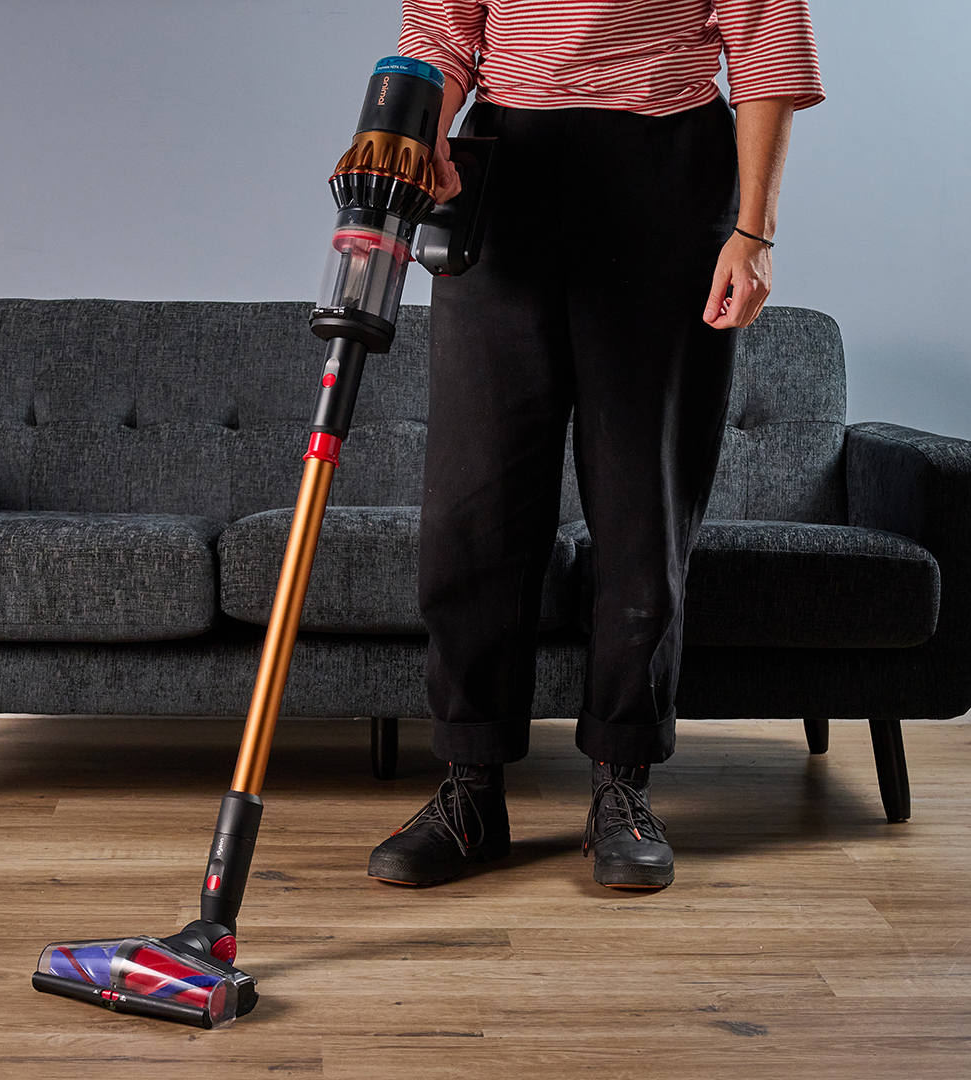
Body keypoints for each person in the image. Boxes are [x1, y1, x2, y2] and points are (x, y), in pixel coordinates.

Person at [369, 0, 824, 891]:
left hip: (665, 174)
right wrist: (423, 134)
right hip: (502, 174)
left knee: (642, 500)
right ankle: (470, 791)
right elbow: (441, 32)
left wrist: (755, 230)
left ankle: (622, 782)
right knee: (475, 505)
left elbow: (766, 50)